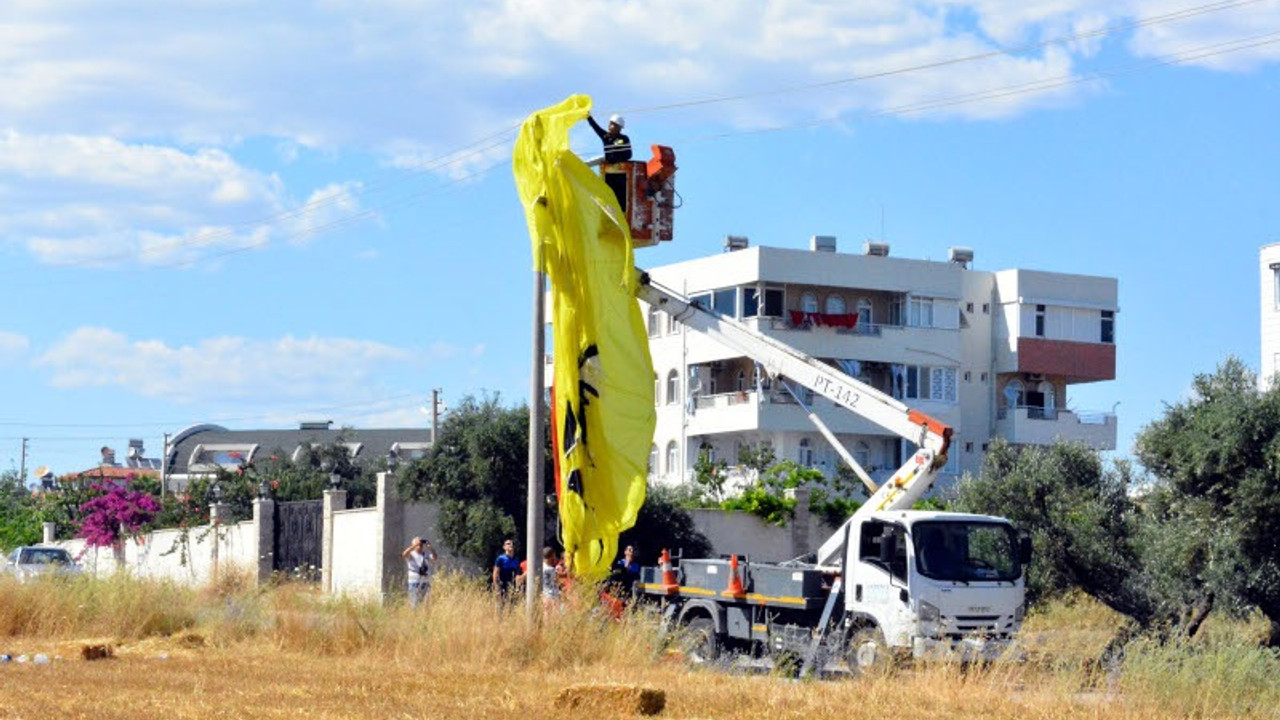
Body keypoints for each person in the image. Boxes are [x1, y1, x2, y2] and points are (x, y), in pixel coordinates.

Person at [586, 113, 633, 212]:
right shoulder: (606, 137)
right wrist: (588, 117)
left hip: (617, 166)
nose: (610, 126)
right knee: (588, 163)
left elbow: (628, 155)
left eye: (613, 124)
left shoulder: (623, 139)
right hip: (607, 160)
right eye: (610, 124)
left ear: (619, 128)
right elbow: (595, 127)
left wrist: (616, 159)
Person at [401, 536, 436, 608]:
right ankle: (414, 617)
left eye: (421, 545)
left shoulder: (425, 554)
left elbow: (435, 557)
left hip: (425, 581)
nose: (420, 546)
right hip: (414, 581)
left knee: (425, 603)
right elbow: (404, 554)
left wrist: (431, 548)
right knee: (414, 604)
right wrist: (414, 545)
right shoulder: (411, 554)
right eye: (419, 545)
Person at [492, 537, 524, 604]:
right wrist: (496, 586)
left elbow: (518, 572)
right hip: (502, 584)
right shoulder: (500, 559)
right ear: (504, 547)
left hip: (513, 585)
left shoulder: (516, 559)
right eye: (508, 544)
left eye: (512, 544)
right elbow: (495, 573)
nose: (511, 545)